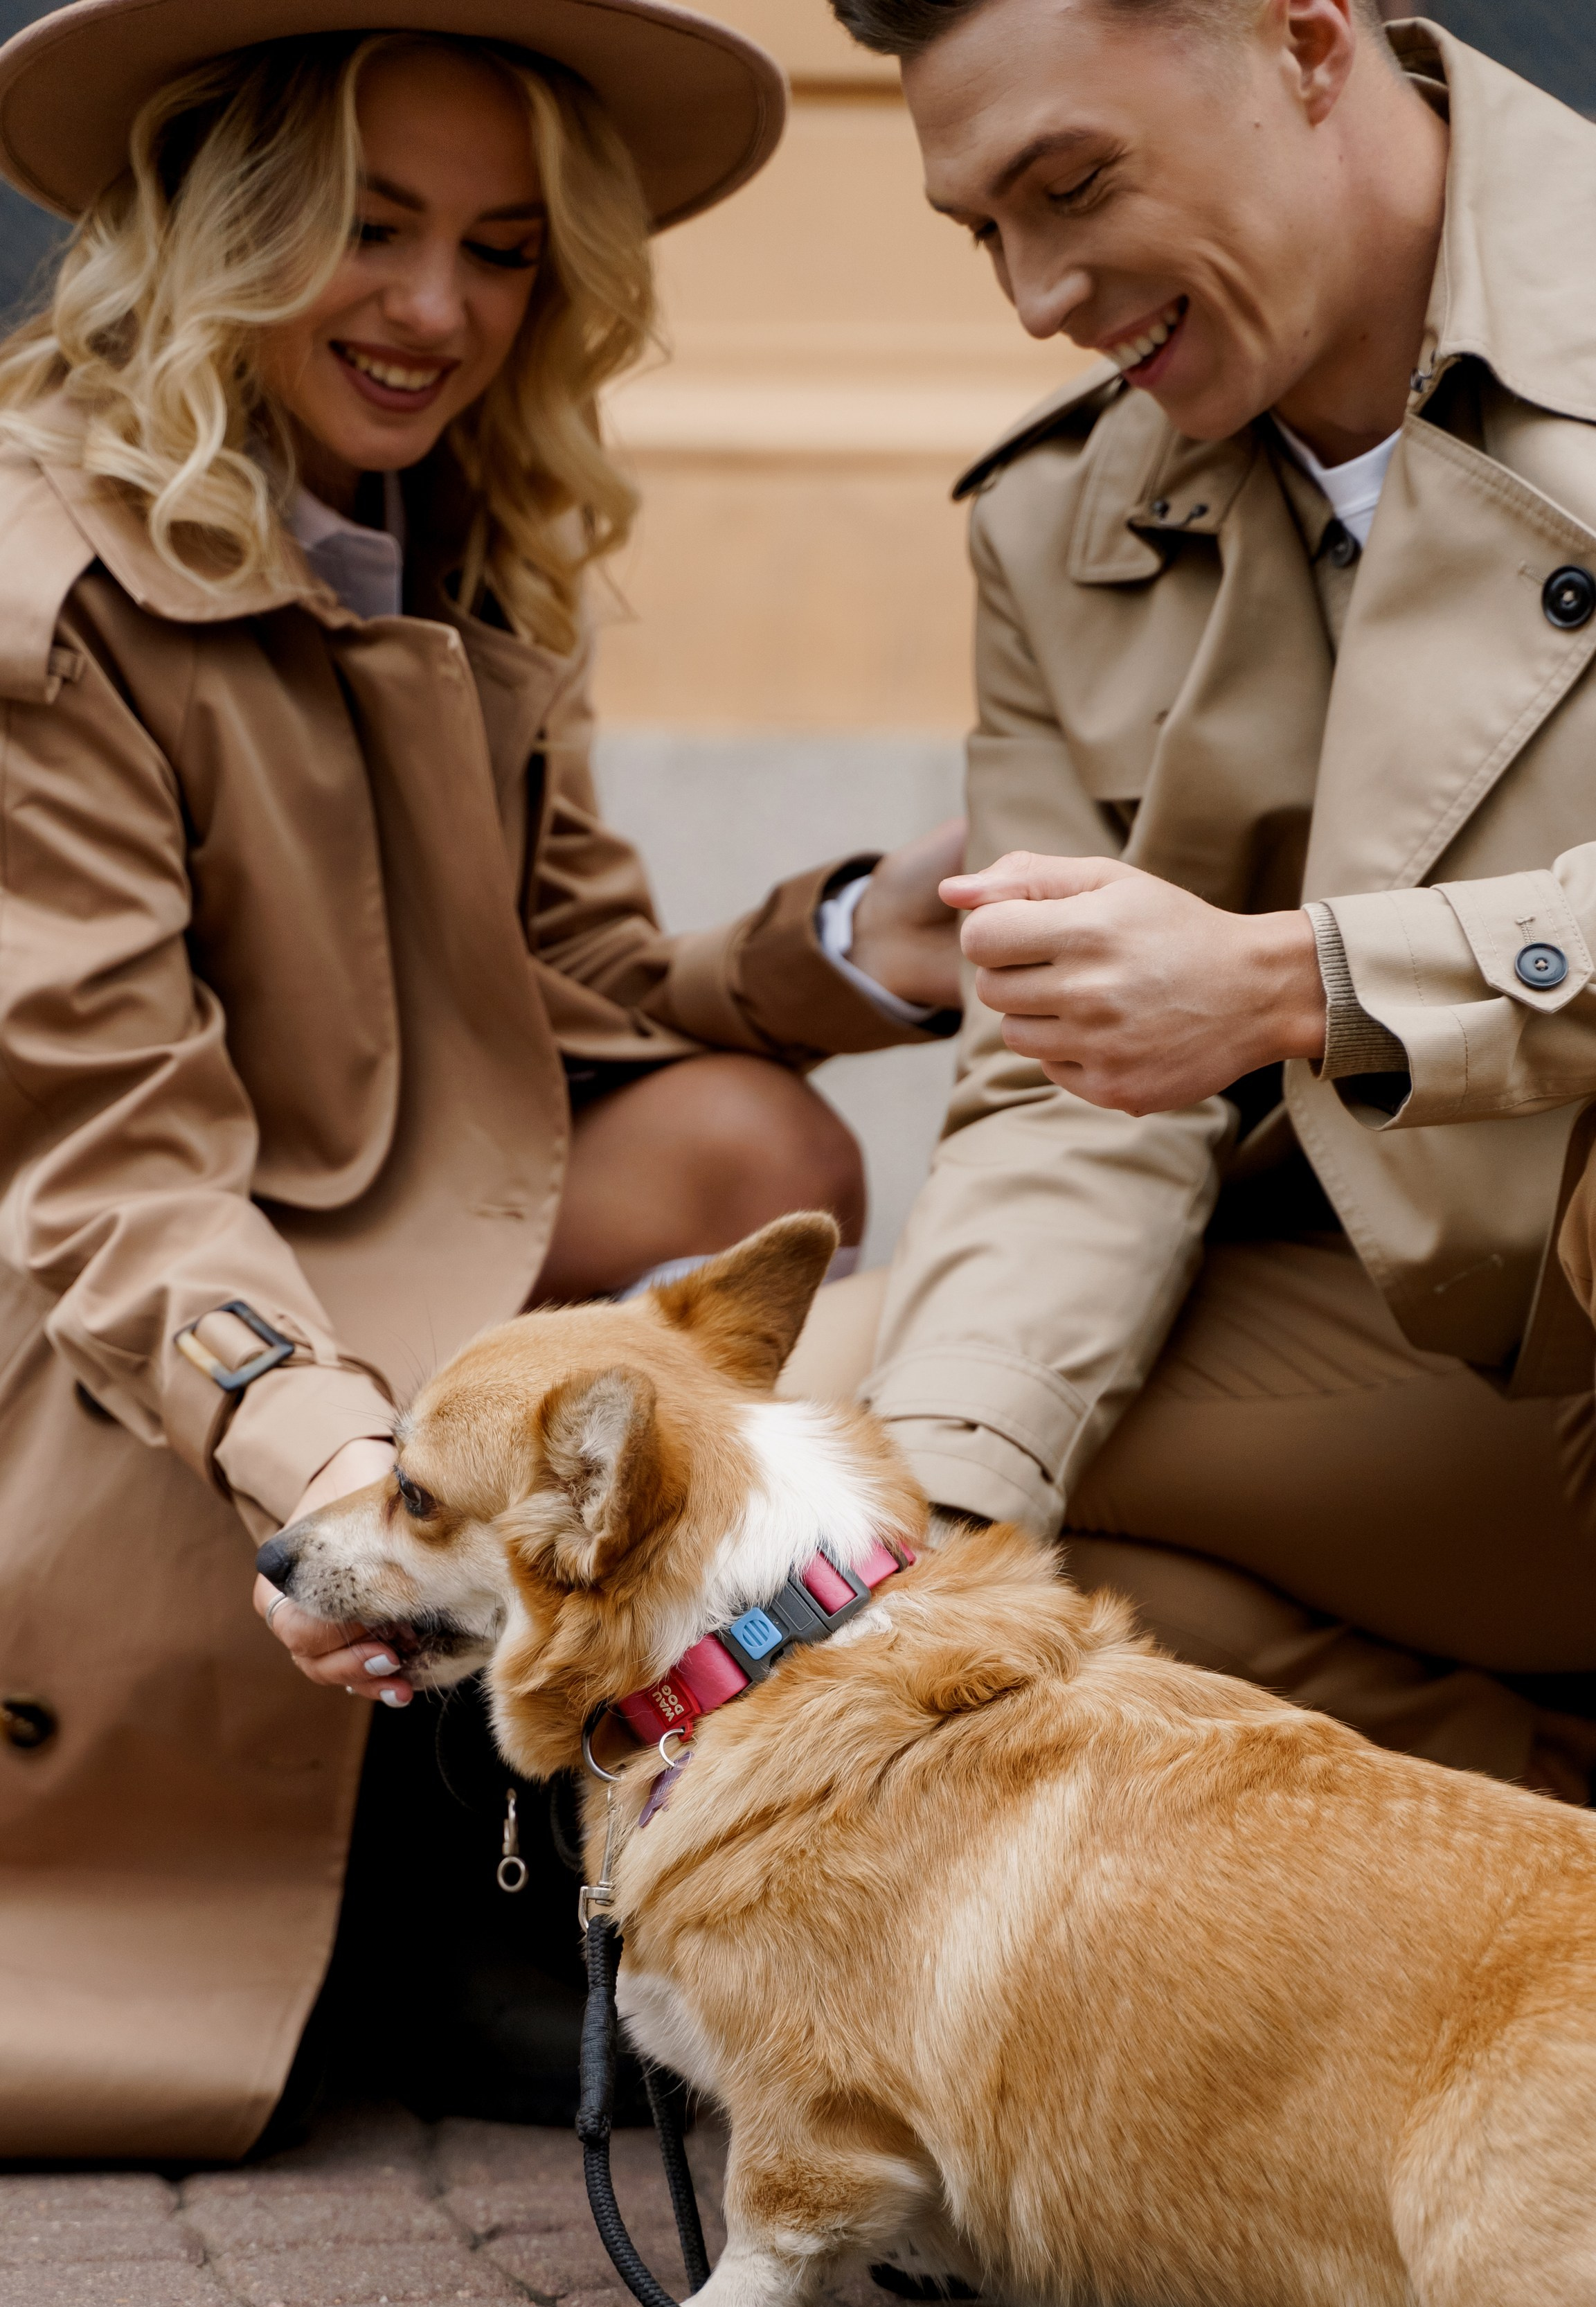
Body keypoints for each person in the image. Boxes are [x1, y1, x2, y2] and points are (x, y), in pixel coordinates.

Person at [0, 0, 964, 2157]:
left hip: (356, 1234)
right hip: (111, 1299)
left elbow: (573, 985)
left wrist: (847, 938)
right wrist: (333, 1467)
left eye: (506, 248)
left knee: (751, 1150)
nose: (438, 310)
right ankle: (417, 1872)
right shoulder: (40, 588)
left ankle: (506, 1790)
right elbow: (103, 1162)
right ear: (216, 225)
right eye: (369, 226)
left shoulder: (446, 524)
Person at [793, 0, 1596, 1800]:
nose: (1029, 292)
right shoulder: (1058, 523)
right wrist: (927, 1541)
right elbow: (1063, 1094)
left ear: (1306, 44)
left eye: (1068, 186)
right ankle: (1531, 1828)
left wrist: (1309, 984)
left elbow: (1247, 999)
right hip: (1437, 1376)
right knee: (833, 1450)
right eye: (982, 229)